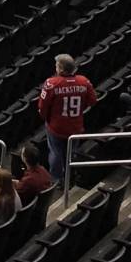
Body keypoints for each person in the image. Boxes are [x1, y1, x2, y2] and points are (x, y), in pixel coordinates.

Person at [35, 55, 98, 186]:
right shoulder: (84, 81)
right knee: (71, 152)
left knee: (55, 152)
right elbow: (93, 100)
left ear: (61, 69)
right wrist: (81, 108)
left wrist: (47, 119)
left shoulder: (51, 83)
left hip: (57, 127)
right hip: (75, 125)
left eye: (57, 65)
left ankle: (57, 180)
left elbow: (42, 107)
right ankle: (70, 176)